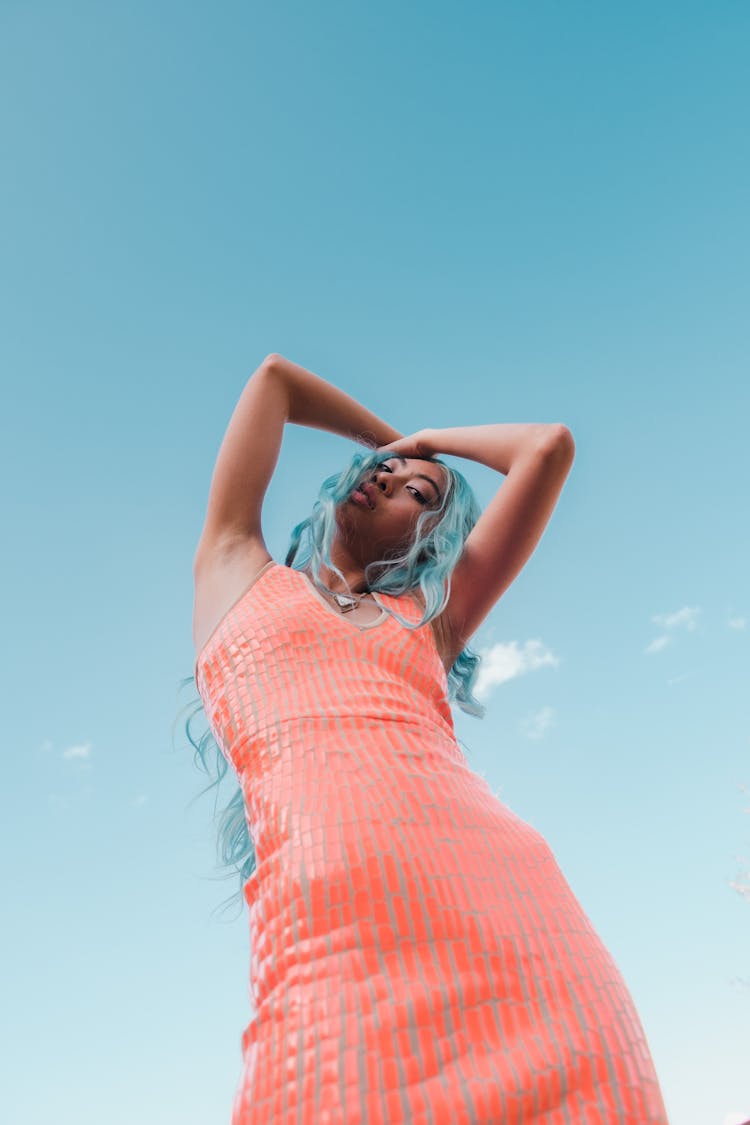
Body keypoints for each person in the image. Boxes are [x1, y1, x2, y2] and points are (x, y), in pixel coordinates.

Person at [190, 353, 669, 1124]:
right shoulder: (234, 571)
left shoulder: (428, 619)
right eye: (382, 470)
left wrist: (430, 442)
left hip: (522, 931)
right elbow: (274, 379)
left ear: (433, 539)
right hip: (328, 939)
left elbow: (546, 446)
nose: (388, 477)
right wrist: (396, 449)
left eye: (418, 492)